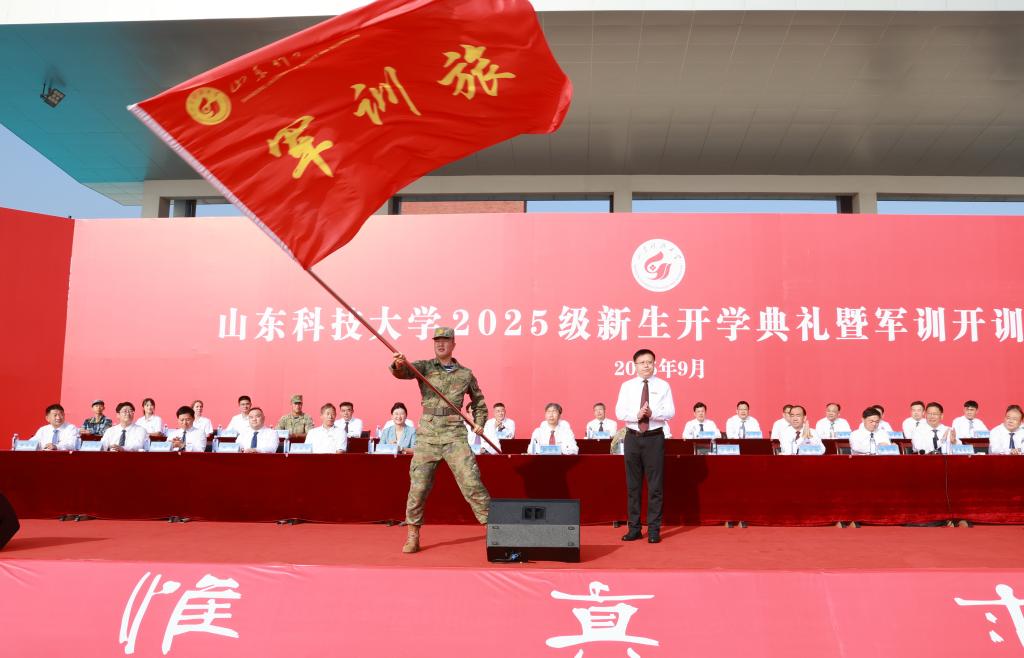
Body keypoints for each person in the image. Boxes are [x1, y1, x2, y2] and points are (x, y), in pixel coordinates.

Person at [391, 326, 490, 554]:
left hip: (455, 433)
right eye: (437, 341)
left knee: (472, 481)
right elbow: (402, 373)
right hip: (428, 434)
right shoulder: (424, 367)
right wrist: (398, 364)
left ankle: (493, 529)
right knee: (419, 486)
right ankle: (413, 534)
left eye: (445, 341)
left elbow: (479, 403)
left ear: (453, 344)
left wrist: (479, 423)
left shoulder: (465, 374)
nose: (441, 344)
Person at [615, 348, 675, 544]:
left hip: (654, 438)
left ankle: (654, 530)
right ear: (635, 365)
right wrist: (637, 415)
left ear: (654, 364)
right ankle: (634, 529)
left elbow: (670, 412)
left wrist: (652, 413)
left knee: (655, 486)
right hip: (632, 437)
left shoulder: (663, 385)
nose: (646, 365)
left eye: (649, 362)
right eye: (642, 362)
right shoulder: (627, 386)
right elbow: (619, 412)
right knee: (633, 486)